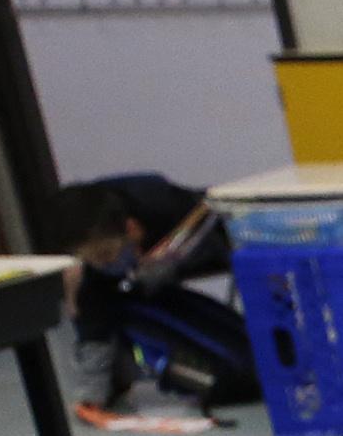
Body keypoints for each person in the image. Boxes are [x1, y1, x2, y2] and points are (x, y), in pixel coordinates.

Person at [50, 174, 257, 421]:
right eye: (92, 260)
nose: (102, 264)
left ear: (131, 228)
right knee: (113, 306)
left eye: (107, 255)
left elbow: (244, 257)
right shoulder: (97, 276)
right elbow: (94, 333)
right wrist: (91, 396)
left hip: (205, 243)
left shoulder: (170, 206)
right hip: (144, 278)